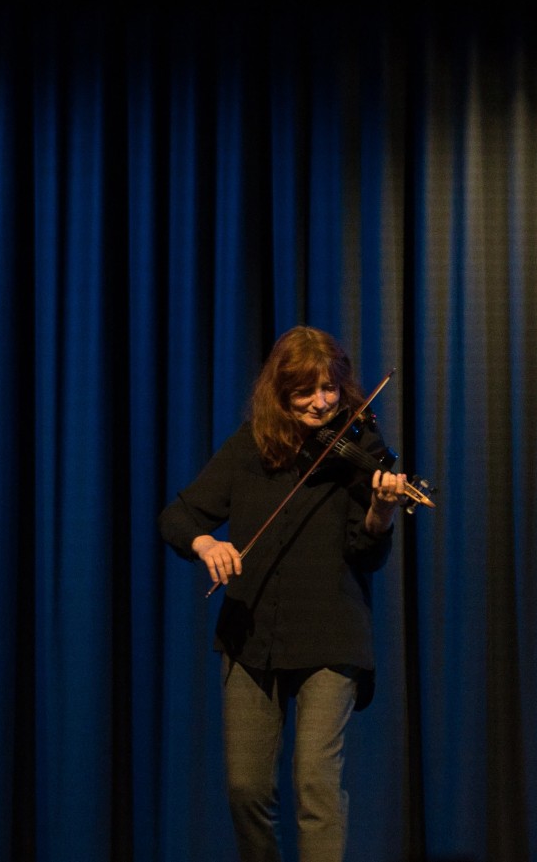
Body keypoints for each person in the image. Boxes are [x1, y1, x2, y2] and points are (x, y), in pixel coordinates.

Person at [159, 325, 409, 862]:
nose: (322, 403)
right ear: (280, 392)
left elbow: (366, 554)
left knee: (315, 784)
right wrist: (206, 543)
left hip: (330, 635)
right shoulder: (250, 445)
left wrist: (381, 511)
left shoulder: (361, 449)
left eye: (330, 388)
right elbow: (178, 516)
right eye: (306, 391)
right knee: (246, 789)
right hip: (251, 634)